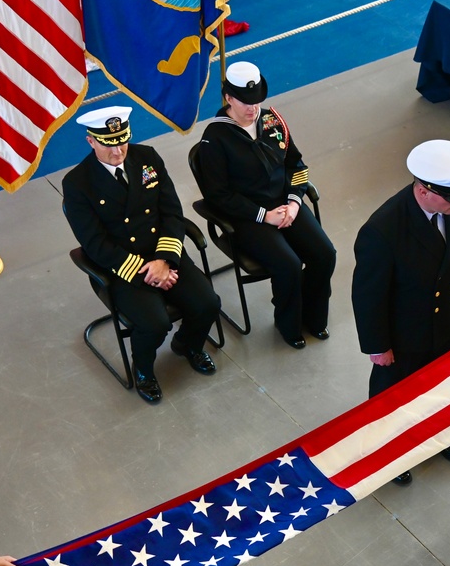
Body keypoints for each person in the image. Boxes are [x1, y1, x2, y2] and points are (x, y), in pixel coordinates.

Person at [63, 106, 221, 403]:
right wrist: (147, 270)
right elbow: (94, 243)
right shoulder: (77, 183)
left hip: (163, 252)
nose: (118, 151)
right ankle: (144, 371)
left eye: (122, 141)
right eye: (109, 144)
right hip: (121, 267)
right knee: (154, 323)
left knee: (208, 303)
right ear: (91, 141)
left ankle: (188, 344)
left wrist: (165, 261)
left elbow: (172, 212)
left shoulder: (147, 157)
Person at [352, 140, 450, 486]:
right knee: (393, 394)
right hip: (403, 333)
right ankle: (389, 451)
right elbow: (368, 295)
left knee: (441, 383)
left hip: (445, 322)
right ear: (424, 191)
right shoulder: (383, 230)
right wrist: (377, 345)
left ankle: (439, 436)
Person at [195, 61, 336, 349]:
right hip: (247, 217)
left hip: (286, 205)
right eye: (245, 102)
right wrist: (264, 215)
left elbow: (296, 165)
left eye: (257, 100)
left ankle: (313, 316)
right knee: (289, 264)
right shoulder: (215, 138)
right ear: (228, 98)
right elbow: (218, 196)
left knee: (325, 253)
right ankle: (289, 323)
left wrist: (294, 204)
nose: (253, 108)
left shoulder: (273, 120)